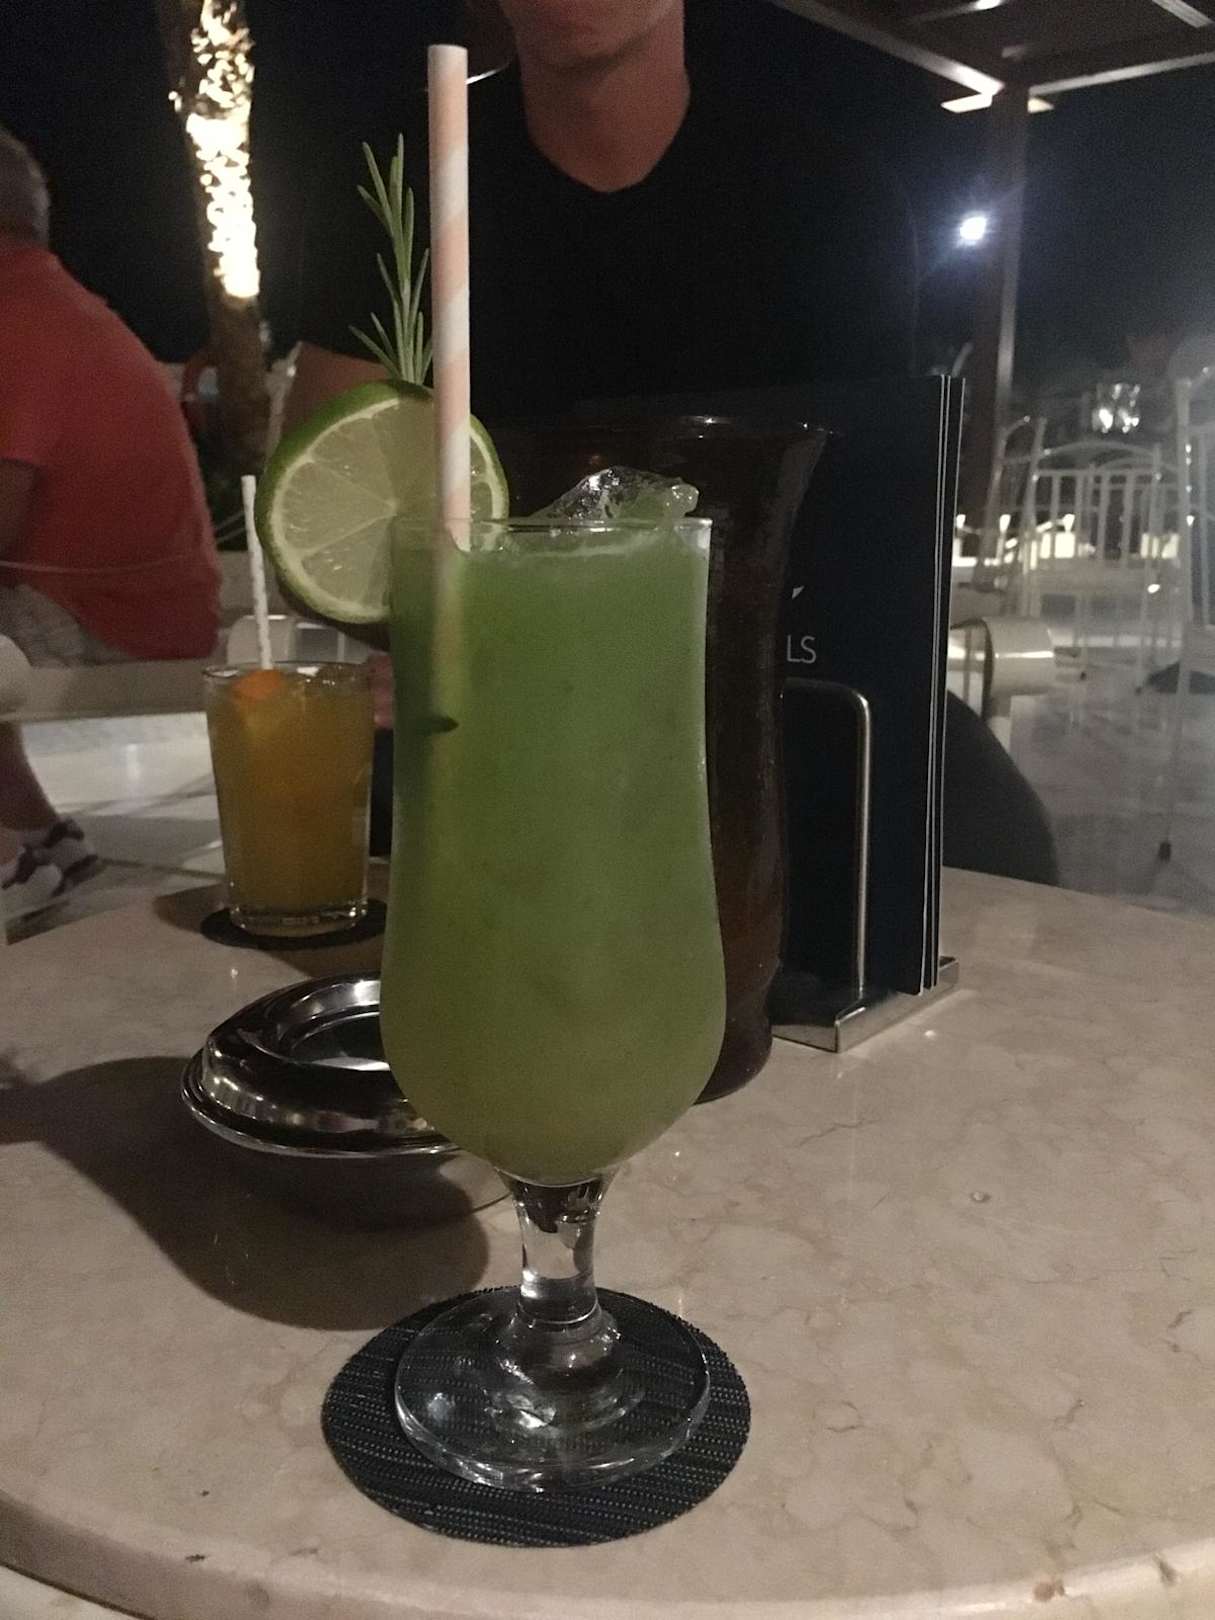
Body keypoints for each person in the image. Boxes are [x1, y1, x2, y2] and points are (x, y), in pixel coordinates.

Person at [287, 0, 1058, 884]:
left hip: (762, 683)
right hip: (495, 698)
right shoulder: (405, 172)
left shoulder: (830, 193)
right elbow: (322, 506)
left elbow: (858, 529)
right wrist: (437, 634)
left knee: (988, 835)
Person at [0, 127, 221, 920]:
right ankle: (41, 840)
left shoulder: (15, 319)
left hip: (116, 617)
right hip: (147, 599)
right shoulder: (53, 302)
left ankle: (12, 863)